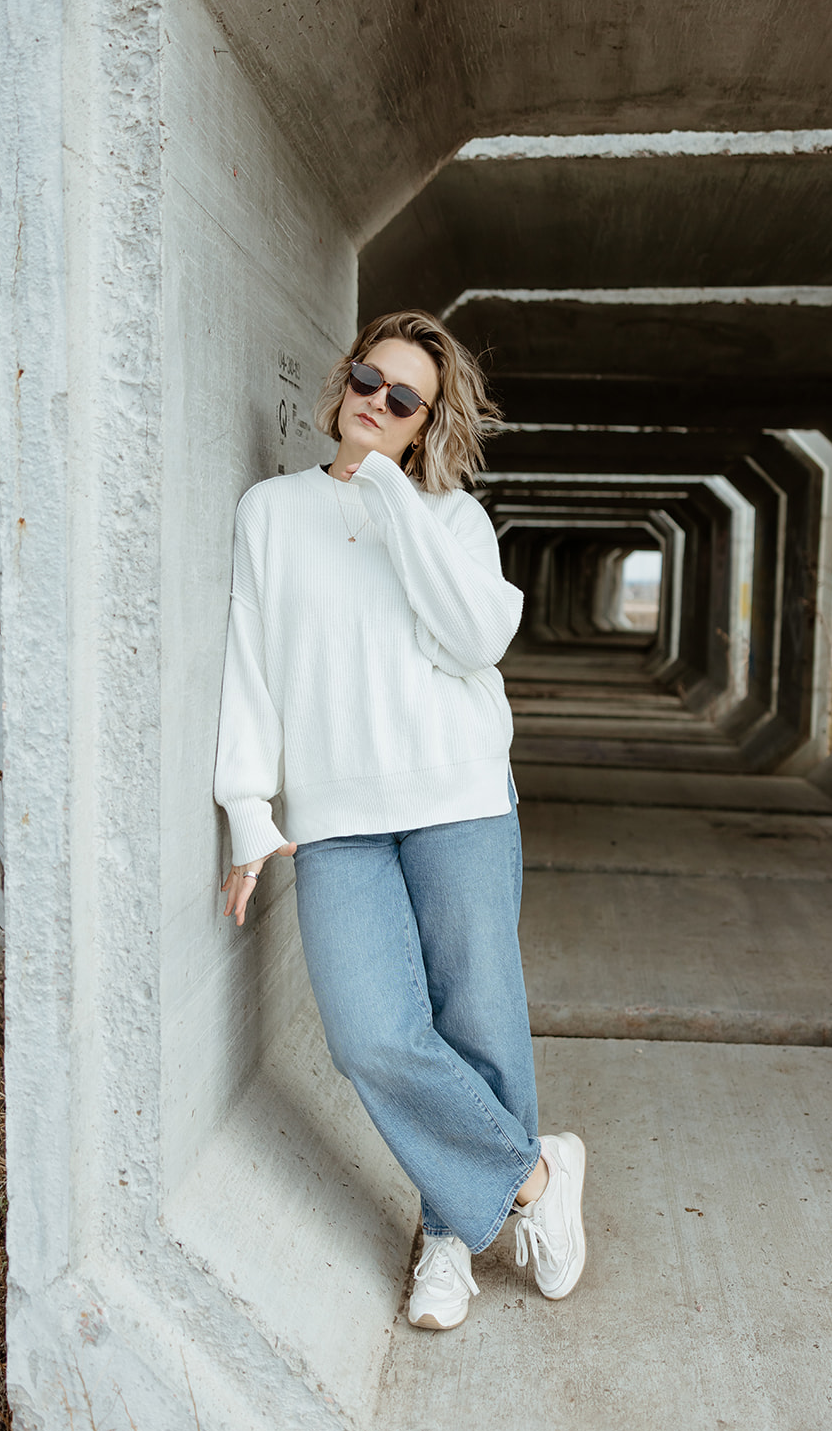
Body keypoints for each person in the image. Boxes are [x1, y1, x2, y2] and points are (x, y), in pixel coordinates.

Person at [214, 310, 586, 1329]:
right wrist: (248, 806)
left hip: (458, 797)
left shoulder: (449, 521)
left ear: (424, 424)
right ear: (342, 382)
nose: (373, 402)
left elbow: (475, 639)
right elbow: (250, 663)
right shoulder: (270, 511)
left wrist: (387, 491)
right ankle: (531, 1178)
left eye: (401, 398)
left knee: (478, 1023)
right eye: (365, 380)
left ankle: (444, 1241)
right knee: (372, 1034)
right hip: (337, 814)